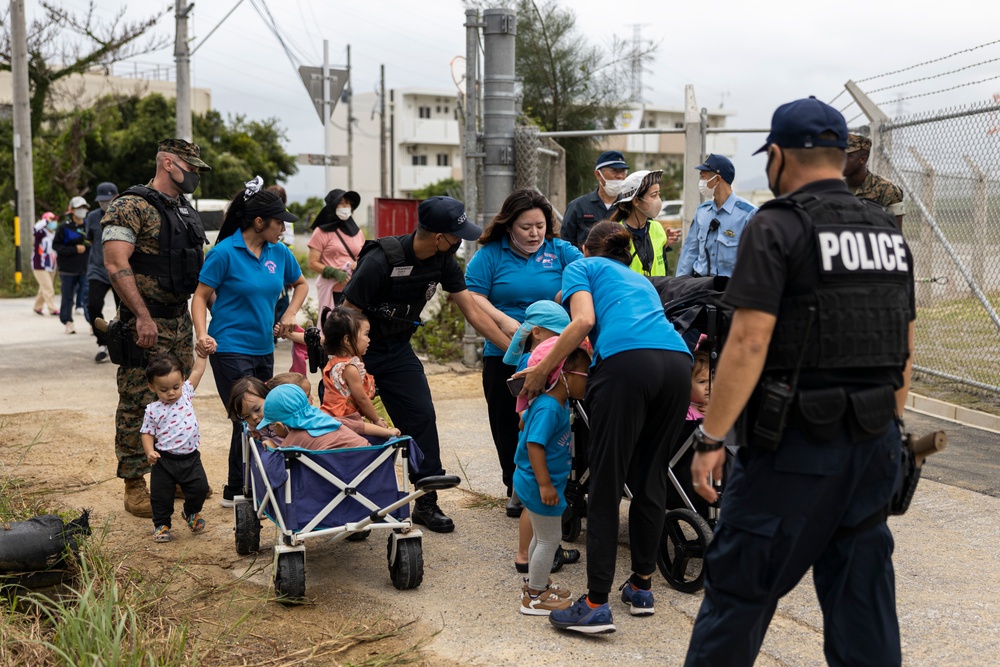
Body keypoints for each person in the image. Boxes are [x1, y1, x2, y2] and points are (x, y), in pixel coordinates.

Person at [685, 97, 914, 667]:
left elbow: (748, 341)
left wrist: (713, 439)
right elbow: (903, 350)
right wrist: (892, 430)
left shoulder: (778, 224)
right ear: (840, 156)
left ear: (781, 156)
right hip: (874, 445)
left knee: (738, 594)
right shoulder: (888, 231)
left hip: (793, 449)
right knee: (863, 609)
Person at [515, 221, 692, 634]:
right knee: (652, 476)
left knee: (607, 484)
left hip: (627, 363)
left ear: (585, 248)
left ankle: (595, 603)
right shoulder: (640, 279)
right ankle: (641, 587)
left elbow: (580, 323)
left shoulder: (582, 265)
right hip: (677, 363)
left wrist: (541, 369)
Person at [342, 195, 512, 533]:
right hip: (360, 353)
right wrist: (347, 364)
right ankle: (349, 507)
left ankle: (427, 502)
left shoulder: (444, 261)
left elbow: (473, 311)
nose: (460, 243)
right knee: (350, 427)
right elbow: (347, 312)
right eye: (457, 236)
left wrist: (512, 351)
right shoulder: (381, 259)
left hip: (399, 351)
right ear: (438, 237)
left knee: (421, 417)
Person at [103, 138, 212, 518]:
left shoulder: (183, 209)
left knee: (177, 400)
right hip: (144, 323)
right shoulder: (131, 205)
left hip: (179, 318)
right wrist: (142, 316)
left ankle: (174, 472)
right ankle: (134, 481)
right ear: (169, 163)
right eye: (191, 167)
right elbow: (117, 264)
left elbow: (196, 265)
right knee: (138, 401)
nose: (195, 174)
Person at [465, 188, 584, 515]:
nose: (534, 234)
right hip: (503, 354)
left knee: (558, 421)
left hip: (555, 355)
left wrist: (564, 296)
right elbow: (473, 297)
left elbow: (588, 275)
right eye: (525, 227)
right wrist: (508, 327)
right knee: (508, 422)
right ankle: (515, 485)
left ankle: (560, 482)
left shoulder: (560, 251)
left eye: (540, 226)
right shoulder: (490, 255)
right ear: (508, 226)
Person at [192, 177, 308, 509]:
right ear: (259, 222)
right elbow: (199, 298)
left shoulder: (279, 252)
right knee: (249, 416)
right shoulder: (225, 252)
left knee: (261, 414)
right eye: (279, 222)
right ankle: (241, 488)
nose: (284, 228)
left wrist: (289, 314)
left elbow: (300, 285)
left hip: (263, 347)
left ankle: (241, 486)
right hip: (228, 346)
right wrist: (203, 334)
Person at [517, 344, 591, 616]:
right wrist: (545, 484)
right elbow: (534, 445)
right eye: (584, 372)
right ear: (563, 374)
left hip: (535, 481)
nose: (588, 378)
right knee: (550, 539)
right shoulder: (549, 407)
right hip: (538, 484)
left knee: (542, 536)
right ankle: (535, 597)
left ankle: (537, 584)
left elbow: (526, 426)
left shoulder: (554, 404)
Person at [141, 351, 210, 543]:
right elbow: (146, 432)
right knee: (160, 496)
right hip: (164, 460)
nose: (171, 393)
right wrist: (149, 451)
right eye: (163, 389)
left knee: (200, 488)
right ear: (152, 386)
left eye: (175, 387)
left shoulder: (186, 393)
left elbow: (198, 371)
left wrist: (203, 355)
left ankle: (190, 512)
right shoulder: (153, 410)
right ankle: (162, 525)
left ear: (183, 381)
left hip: (191, 457)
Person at [319, 307, 401, 439]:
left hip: (331, 416)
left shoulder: (334, 362)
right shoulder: (349, 369)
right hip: (344, 419)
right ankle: (388, 433)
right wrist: (376, 420)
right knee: (363, 426)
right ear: (346, 340)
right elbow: (362, 399)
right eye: (366, 334)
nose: (369, 339)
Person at [675, 154, 758, 278]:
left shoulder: (748, 214)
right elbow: (690, 252)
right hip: (699, 286)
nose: (701, 182)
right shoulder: (702, 212)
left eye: (703, 177)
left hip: (729, 289)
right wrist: (679, 285)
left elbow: (755, 260)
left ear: (717, 179)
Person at [256, 384, 371, 451]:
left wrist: (273, 449)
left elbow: (280, 472)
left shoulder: (292, 443)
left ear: (279, 425)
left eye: (271, 425)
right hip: (372, 467)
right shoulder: (328, 420)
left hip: (339, 484)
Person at [612, 169, 681, 276]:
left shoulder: (657, 228)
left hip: (658, 291)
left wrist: (665, 244)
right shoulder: (617, 233)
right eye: (653, 195)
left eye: (659, 194)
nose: (658, 200)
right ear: (636, 201)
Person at [308, 189, 365, 312]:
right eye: (341, 203)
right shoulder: (321, 232)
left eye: (348, 204)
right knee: (331, 325)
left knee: (353, 327)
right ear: (333, 206)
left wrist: (358, 264)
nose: (345, 207)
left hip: (353, 290)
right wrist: (334, 272)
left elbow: (363, 256)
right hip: (332, 290)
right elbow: (312, 263)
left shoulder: (357, 232)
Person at [559, 151, 629, 248]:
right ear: (598, 174)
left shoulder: (629, 206)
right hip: (586, 262)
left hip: (619, 262)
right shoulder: (578, 206)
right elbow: (566, 241)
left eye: (623, 171)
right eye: (614, 170)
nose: (620, 176)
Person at [86, 182, 121, 363]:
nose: (104, 204)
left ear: (115, 197)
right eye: (101, 201)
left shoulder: (124, 214)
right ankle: (102, 342)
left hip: (120, 270)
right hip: (98, 269)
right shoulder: (92, 217)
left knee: (123, 309)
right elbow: (91, 241)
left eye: (107, 200)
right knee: (92, 305)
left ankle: (121, 343)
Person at [844, 133, 905, 229]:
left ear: (862, 160)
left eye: (846, 157)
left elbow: (896, 234)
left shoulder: (886, 190)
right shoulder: (836, 187)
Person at [52, 196, 91, 334]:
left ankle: (92, 322)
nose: (82, 210)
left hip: (86, 268)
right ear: (72, 210)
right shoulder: (64, 227)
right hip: (68, 269)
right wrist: (74, 249)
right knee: (68, 297)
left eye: (84, 207)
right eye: (79, 208)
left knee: (88, 296)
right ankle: (68, 321)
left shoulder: (89, 224)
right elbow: (56, 245)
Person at [32, 212, 59, 316]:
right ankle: (52, 309)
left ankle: (37, 307)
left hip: (52, 264)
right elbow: (34, 229)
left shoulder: (55, 234)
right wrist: (45, 221)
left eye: (54, 220)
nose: (53, 222)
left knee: (44, 288)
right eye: (51, 220)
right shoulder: (40, 233)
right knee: (48, 289)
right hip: (40, 265)